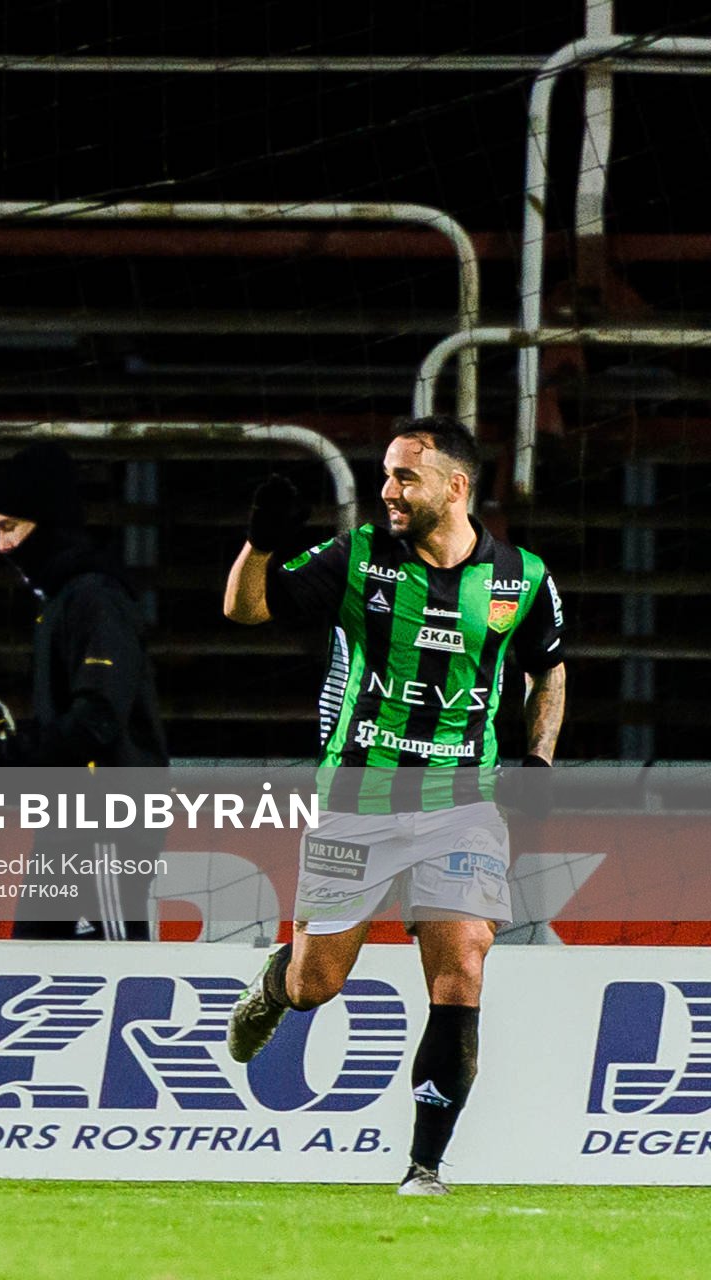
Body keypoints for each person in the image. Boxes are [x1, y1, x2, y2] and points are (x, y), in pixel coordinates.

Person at [221, 415, 567, 1196]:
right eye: (384, 475)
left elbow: (550, 669)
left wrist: (539, 760)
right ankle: (277, 987)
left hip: (464, 805)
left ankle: (424, 1167)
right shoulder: (359, 559)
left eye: (405, 477)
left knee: (463, 963)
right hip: (357, 802)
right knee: (319, 984)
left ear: (457, 485)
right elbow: (247, 609)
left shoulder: (522, 577)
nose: (387, 490)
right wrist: (261, 544)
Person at [0, 442, 170, 940]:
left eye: (9, 528)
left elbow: (98, 718)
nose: (1, 547)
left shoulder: (95, 598)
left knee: (118, 967)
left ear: (47, 522)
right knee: (33, 960)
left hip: (107, 821)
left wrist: (13, 753)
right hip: (73, 821)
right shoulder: (62, 599)